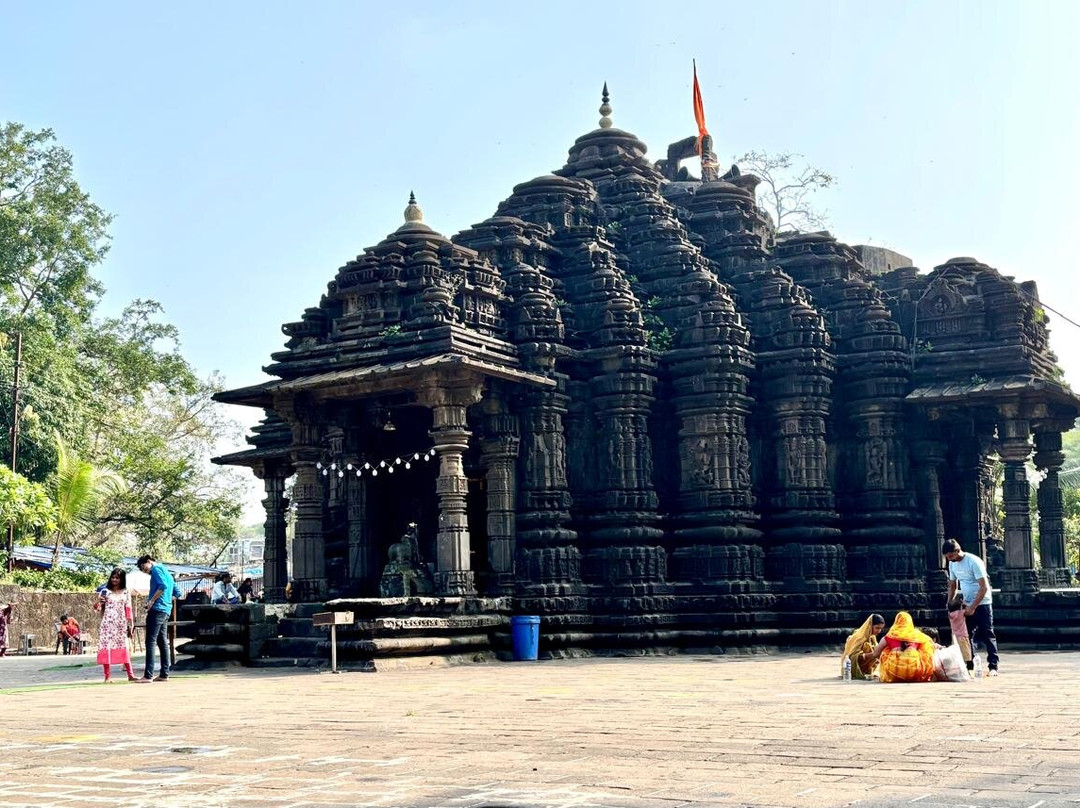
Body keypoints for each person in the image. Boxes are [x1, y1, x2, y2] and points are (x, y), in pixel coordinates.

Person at [943, 538, 999, 676]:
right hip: (966, 602)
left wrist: (973, 607)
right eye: (947, 558)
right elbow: (953, 585)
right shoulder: (952, 564)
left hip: (982, 602)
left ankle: (993, 666)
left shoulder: (973, 561)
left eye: (951, 556)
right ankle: (970, 664)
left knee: (987, 633)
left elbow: (984, 587)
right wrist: (949, 603)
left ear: (957, 551)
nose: (950, 560)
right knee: (965, 635)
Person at [136, 554, 176, 682]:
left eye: (144, 567)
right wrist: (167, 602)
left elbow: (162, 586)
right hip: (165, 610)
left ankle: (148, 675)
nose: (145, 571)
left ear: (149, 561)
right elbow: (176, 592)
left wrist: (151, 601)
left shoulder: (156, 569)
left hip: (157, 609)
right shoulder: (167, 571)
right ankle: (164, 673)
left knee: (150, 641)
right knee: (162, 641)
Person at [95, 567, 135, 682]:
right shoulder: (105, 591)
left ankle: (130, 675)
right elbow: (97, 608)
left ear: (122, 579)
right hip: (107, 624)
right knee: (106, 648)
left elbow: (128, 609)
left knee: (124, 647)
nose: (114, 580)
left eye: (117, 578)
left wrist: (130, 624)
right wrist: (99, 603)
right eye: (113, 577)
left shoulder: (126, 592)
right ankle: (107, 677)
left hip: (120, 624)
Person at [874, 611, 935, 683]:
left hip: (893, 671)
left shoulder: (889, 636)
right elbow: (932, 645)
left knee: (885, 650)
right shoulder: (918, 635)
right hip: (915, 671)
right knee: (926, 648)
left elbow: (876, 654)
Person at [840, 613, 885, 679]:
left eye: (881, 628)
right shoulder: (859, 637)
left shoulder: (872, 638)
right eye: (877, 628)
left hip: (865, 670)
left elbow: (877, 651)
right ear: (870, 626)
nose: (879, 631)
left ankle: (867, 671)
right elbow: (852, 657)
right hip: (851, 668)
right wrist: (872, 654)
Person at [947, 592, 973, 670]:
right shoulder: (960, 613)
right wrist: (964, 603)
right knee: (966, 652)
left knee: (956, 652)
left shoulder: (950, 615)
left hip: (954, 636)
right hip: (963, 635)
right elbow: (970, 611)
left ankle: (957, 666)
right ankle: (969, 667)